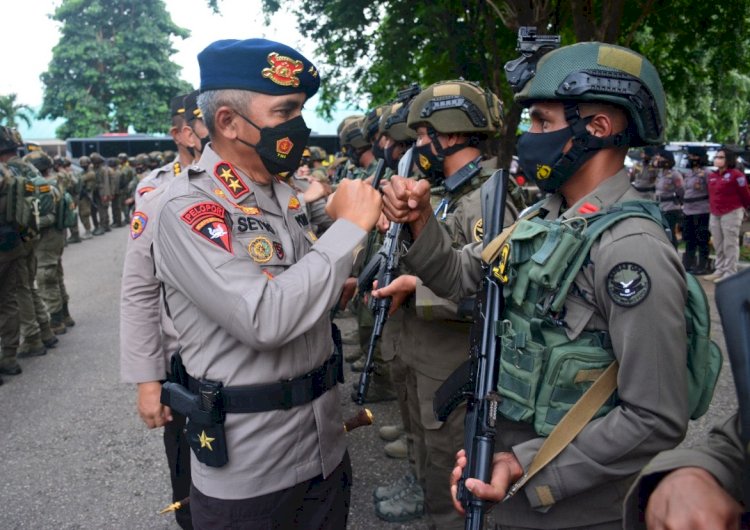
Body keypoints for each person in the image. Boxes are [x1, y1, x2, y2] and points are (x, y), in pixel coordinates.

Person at [379, 40, 689, 529]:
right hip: (508, 473)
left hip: (574, 508)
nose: (529, 136)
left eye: (543, 122)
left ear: (599, 128)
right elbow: (464, 277)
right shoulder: (540, 217)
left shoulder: (631, 249)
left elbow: (655, 417)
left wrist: (525, 462)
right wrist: (421, 222)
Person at [150, 38, 381, 529]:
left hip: (323, 447)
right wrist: (348, 229)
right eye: (286, 110)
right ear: (229, 122)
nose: (299, 124)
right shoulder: (188, 208)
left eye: (301, 108)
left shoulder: (283, 195)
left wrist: (329, 286)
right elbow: (264, 318)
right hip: (252, 472)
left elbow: (296, 289)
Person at [373, 80, 516, 528]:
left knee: (449, 479)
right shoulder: (452, 193)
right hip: (424, 352)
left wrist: (418, 286)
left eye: (421, 136)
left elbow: (491, 292)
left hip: (452, 362)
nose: (417, 147)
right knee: (428, 459)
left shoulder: (490, 199)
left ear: (450, 134)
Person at [705, 147, 750, 282]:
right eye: (716, 157)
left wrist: (747, 209)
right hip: (715, 212)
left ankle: (730, 272)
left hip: (731, 211)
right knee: (718, 242)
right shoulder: (712, 176)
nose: (717, 159)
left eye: (721, 157)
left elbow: (745, 195)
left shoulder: (737, 175)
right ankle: (720, 269)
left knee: (730, 243)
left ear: (728, 159)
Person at [681, 146, 712, 274]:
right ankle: (688, 264)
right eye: (690, 156)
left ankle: (703, 265)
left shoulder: (706, 173)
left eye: (694, 156)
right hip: (688, 210)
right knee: (689, 238)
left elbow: (712, 192)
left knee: (702, 238)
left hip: (702, 210)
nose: (691, 158)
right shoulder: (688, 173)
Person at [653, 149, 684, 248]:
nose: (658, 160)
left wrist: (680, 202)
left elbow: (681, 190)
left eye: (661, 158)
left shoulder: (675, 174)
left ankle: (673, 255)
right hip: (660, 206)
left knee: (669, 234)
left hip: (670, 207)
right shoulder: (660, 173)